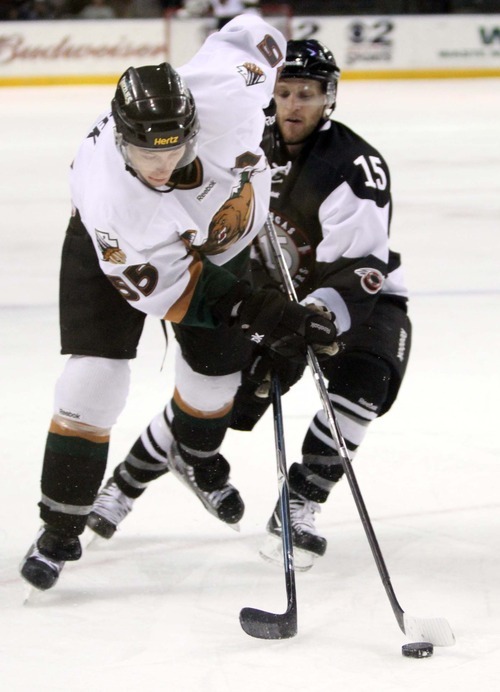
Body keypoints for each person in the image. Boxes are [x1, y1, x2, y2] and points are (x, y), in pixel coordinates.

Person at [20, 16, 336, 592]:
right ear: (122, 142)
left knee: (216, 382)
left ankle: (192, 453)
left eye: (174, 150)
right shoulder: (114, 202)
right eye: (146, 156)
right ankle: (60, 525)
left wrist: (263, 109)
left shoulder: (226, 89)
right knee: (94, 381)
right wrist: (260, 310)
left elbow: (257, 34)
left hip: (221, 237)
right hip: (117, 255)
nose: (162, 168)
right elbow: (181, 293)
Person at [229, 38, 412, 568]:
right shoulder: (246, 149)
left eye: (306, 93)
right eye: (283, 92)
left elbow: (363, 266)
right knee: (238, 405)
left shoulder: (354, 164)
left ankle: (301, 502)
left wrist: (318, 313)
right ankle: (166, 462)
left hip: (360, 300)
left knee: (364, 383)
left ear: (327, 97)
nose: (293, 105)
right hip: (277, 301)